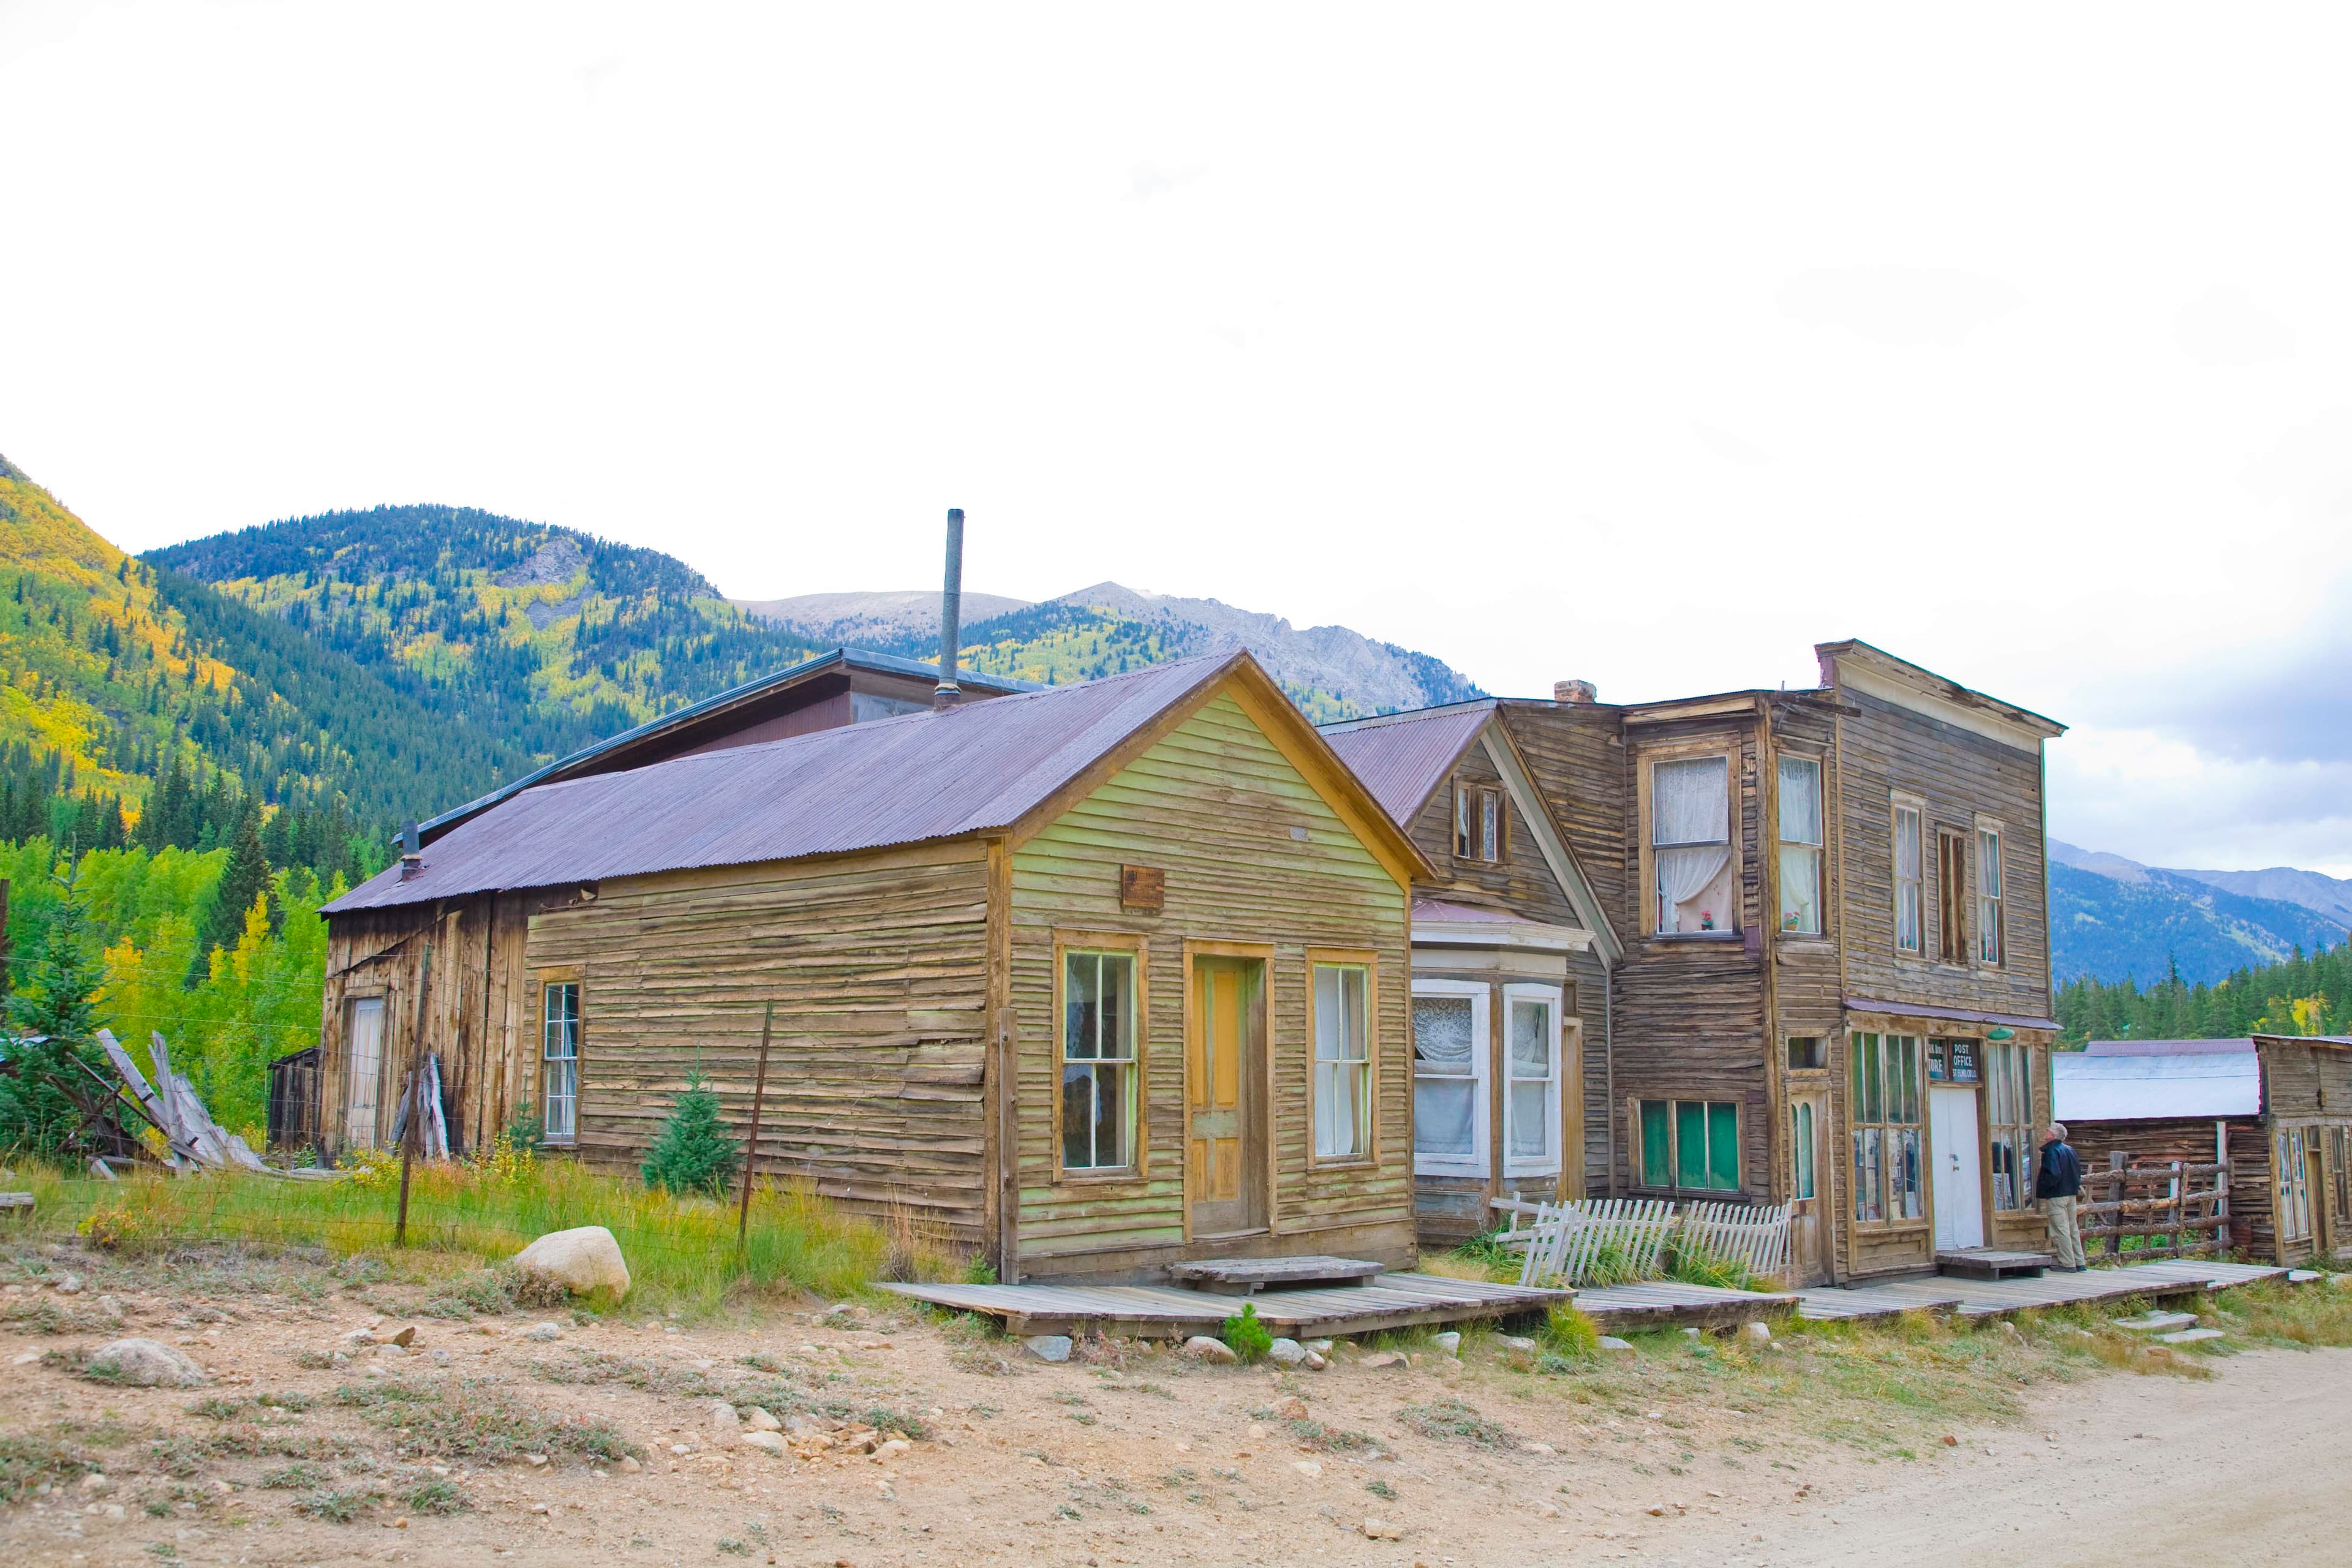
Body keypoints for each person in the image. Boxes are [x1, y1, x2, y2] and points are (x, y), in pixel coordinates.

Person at [2037, 1121, 2086, 1272]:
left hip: (2057, 1194)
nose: (2045, 1133)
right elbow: (2077, 1172)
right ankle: (2079, 1261)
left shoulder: (2051, 1151)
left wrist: (2044, 1188)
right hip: (2071, 1193)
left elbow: (2054, 1174)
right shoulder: (2069, 1150)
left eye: (2047, 1131)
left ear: (2052, 1135)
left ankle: (2067, 1263)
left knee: (2060, 1229)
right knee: (2072, 1228)